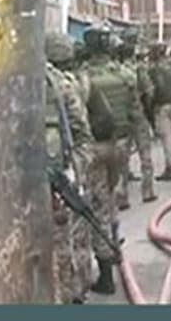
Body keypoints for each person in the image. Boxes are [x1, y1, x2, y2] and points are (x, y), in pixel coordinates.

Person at [45, 32, 97, 304]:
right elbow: (84, 135)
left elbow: (81, 136)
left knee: (61, 248)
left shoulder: (59, 84)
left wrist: (72, 173)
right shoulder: (67, 83)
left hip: (55, 183)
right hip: (34, 186)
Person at [75, 26, 127, 295]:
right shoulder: (96, 79)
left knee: (83, 218)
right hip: (110, 146)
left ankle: (90, 280)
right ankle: (111, 257)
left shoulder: (69, 83)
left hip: (86, 154)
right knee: (105, 207)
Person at [112, 33, 157, 204]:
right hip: (138, 114)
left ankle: (122, 194)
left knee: (123, 158)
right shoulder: (138, 69)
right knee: (145, 153)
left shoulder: (116, 71)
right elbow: (149, 92)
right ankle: (147, 190)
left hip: (122, 118)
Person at [151, 42, 171, 180]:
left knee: (167, 137)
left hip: (163, 104)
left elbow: (157, 87)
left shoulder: (156, 68)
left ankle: (170, 167)